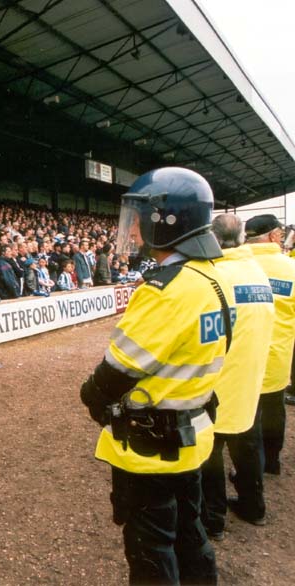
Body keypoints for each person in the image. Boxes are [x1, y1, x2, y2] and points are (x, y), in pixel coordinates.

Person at [80, 167, 229, 584]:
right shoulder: (212, 277)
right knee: (189, 532)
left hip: (152, 444)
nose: (134, 229)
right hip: (194, 433)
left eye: (139, 217)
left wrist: (90, 394)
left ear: (164, 220)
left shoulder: (167, 288)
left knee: (150, 547)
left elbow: (118, 370)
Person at [200, 214, 274, 538]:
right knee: (248, 447)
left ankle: (213, 520)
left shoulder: (214, 276)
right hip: (251, 378)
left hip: (218, 383)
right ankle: (253, 506)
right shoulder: (258, 272)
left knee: (210, 456)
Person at [244, 213, 295, 477]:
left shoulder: (236, 268)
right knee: (275, 409)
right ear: (274, 236)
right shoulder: (291, 268)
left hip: (243, 356)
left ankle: (250, 467)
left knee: (247, 412)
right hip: (277, 355)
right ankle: (272, 461)